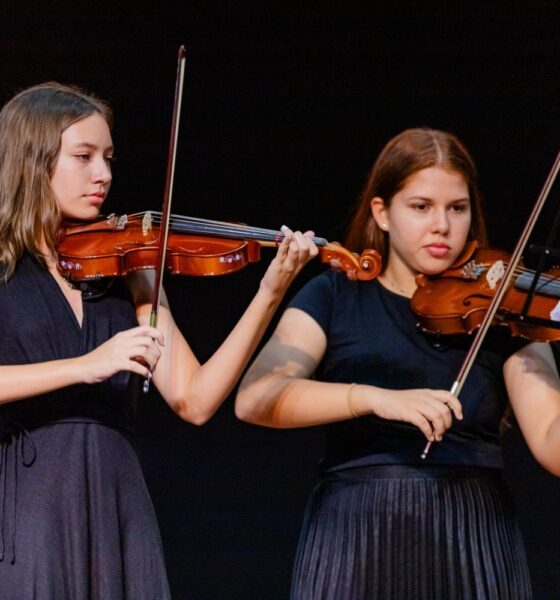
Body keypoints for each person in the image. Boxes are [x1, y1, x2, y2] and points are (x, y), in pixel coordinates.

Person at [0, 81, 317, 599]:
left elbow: (195, 400)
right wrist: (85, 365)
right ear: (33, 160)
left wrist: (270, 291)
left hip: (118, 502)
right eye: (83, 156)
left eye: (108, 157)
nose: (103, 174)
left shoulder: (129, 270)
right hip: (29, 508)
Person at [236, 127, 560, 600]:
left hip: (470, 534)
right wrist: (373, 398)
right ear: (382, 213)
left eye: (457, 208)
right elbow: (256, 397)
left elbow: (551, 437)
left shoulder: (504, 307)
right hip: (355, 531)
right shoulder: (335, 294)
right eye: (421, 207)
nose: (442, 227)